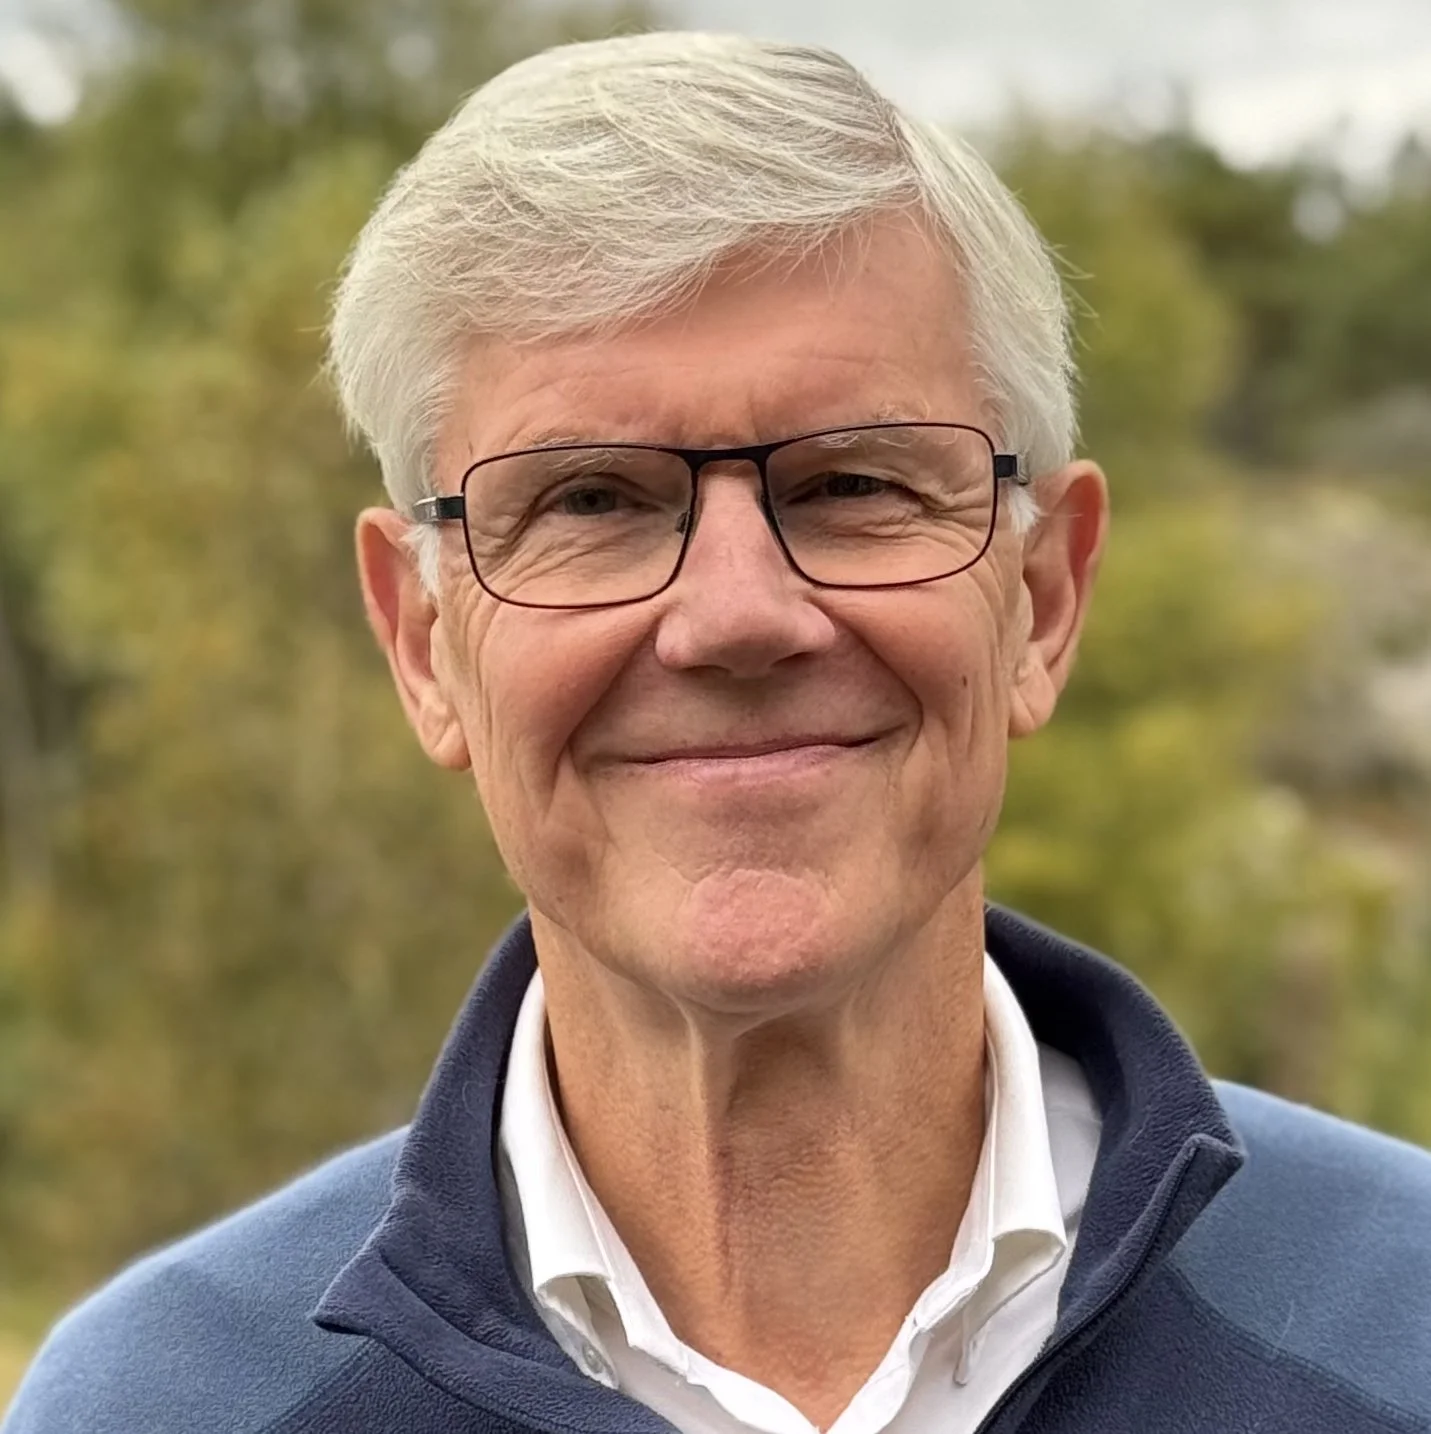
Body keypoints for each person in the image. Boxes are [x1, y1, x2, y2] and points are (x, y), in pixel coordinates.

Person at [6, 29, 1431, 1434]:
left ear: (1041, 601)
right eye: (590, 501)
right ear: (424, 640)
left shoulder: (1401, 1326)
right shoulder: (160, 1408)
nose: (737, 615)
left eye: (853, 484)